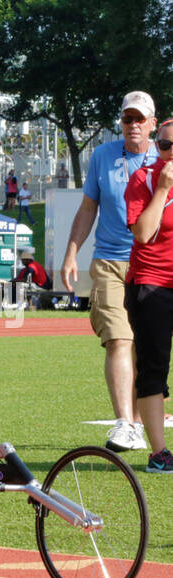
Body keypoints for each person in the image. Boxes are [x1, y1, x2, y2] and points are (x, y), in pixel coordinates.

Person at [61, 91, 159, 453]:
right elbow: (88, 208)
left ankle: (139, 419)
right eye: (126, 118)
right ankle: (125, 424)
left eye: (139, 119)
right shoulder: (102, 155)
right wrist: (72, 252)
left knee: (147, 346)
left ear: (152, 122)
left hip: (153, 264)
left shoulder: (165, 156)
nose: (132, 125)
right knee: (119, 338)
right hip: (109, 260)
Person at [124, 120, 173, 472]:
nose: (172, 152)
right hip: (151, 283)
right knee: (154, 365)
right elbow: (143, 233)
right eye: (166, 145)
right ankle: (159, 453)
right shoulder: (144, 179)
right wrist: (162, 191)